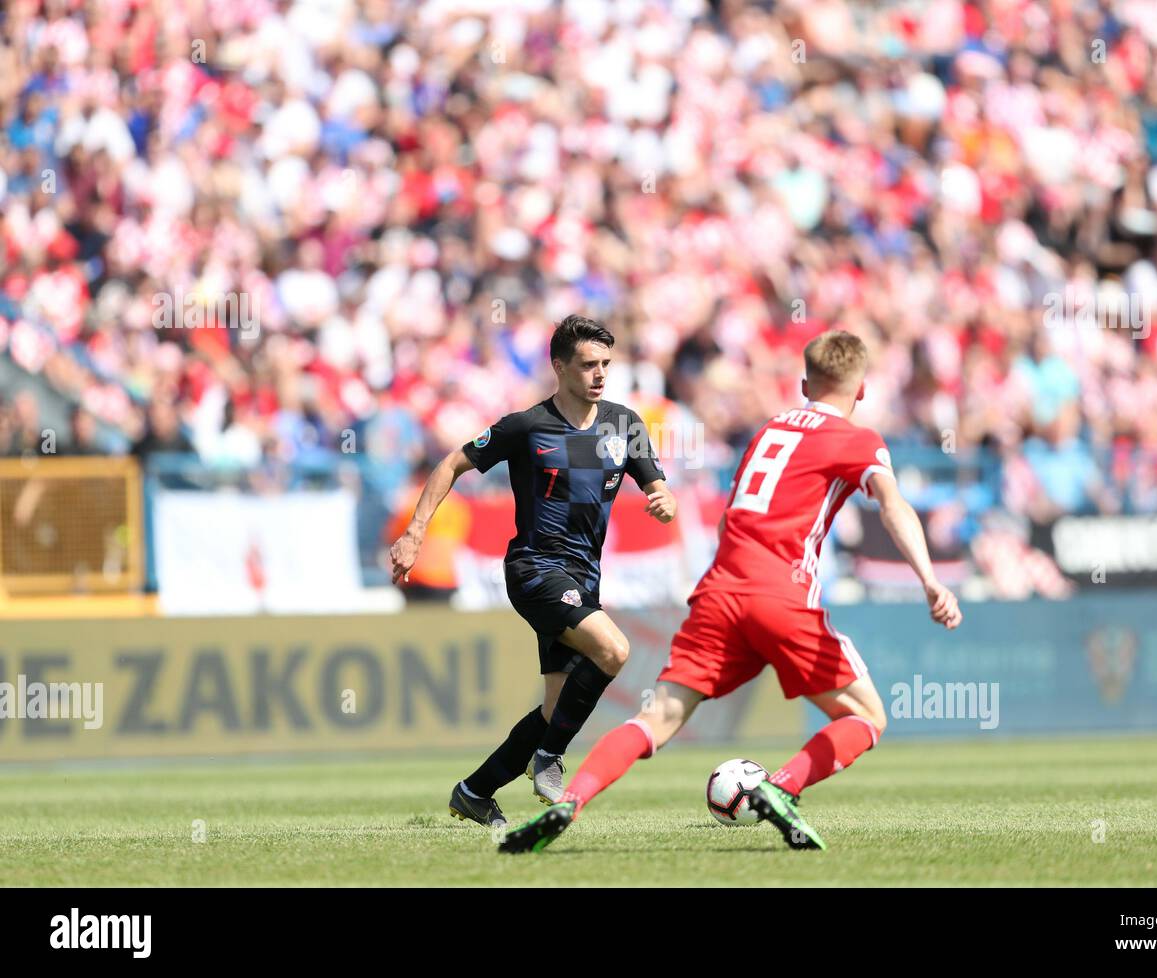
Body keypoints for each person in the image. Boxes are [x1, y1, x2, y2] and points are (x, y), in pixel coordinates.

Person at [499, 330, 961, 853]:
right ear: (862, 391)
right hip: (782, 594)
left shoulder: (769, 431)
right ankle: (780, 788)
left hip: (718, 591)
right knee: (867, 716)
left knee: (659, 717)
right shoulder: (859, 438)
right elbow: (893, 504)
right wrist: (929, 579)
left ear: (805, 382)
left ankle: (572, 800)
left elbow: (733, 514)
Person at [389, 315, 676, 828]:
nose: (600, 374)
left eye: (606, 364)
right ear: (559, 366)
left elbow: (658, 486)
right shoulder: (526, 427)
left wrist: (663, 499)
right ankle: (549, 758)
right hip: (535, 568)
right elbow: (451, 463)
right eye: (588, 365)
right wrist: (415, 532)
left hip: (585, 577)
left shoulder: (624, 424)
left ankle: (474, 791)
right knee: (614, 649)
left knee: (554, 709)